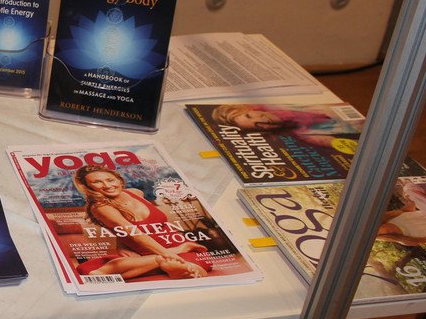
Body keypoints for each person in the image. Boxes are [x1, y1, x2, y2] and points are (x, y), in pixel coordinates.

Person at [71, 165, 210, 280]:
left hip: (175, 241)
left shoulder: (135, 192)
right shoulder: (100, 207)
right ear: (88, 187)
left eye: (110, 180)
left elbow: (118, 229)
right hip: (150, 251)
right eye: (97, 182)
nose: (107, 185)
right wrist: (173, 252)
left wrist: (121, 245)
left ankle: (173, 268)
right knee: (185, 263)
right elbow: (133, 233)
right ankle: (170, 265)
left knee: (201, 261)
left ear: (119, 180)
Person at [211, 104, 361, 149]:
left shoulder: (273, 105)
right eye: (257, 126)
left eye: (250, 116)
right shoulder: (305, 135)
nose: (264, 121)